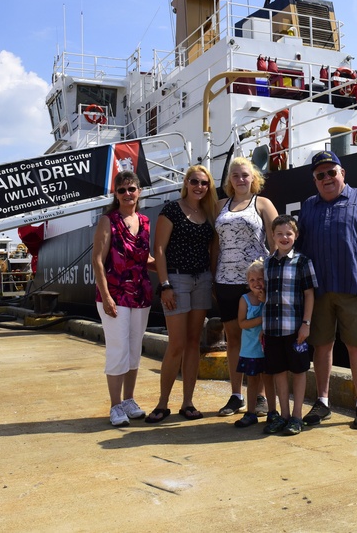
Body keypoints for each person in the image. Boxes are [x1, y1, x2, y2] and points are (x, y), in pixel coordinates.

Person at [299, 151, 357, 430]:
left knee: (356, 345)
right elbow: (298, 245)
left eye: (331, 172)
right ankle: (323, 402)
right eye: (320, 175)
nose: (326, 178)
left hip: (353, 285)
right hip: (318, 289)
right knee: (322, 345)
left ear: (342, 173)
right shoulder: (308, 206)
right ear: (315, 180)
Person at [146, 165, 217, 423]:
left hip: (202, 280)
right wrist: (164, 285)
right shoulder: (172, 210)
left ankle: (187, 402)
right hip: (176, 280)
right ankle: (162, 403)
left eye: (205, 183)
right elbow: (160, 249)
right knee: (176, 344)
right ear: (186, 182)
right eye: (195, 181)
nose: (200, 187)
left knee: (193, 344)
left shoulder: (208, 212)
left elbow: (212, 249)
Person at [213, 157, 279, 417]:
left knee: (257, 338)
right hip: (225, 281)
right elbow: (215, 245)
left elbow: (275, 243)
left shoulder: (262, 203)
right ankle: (236, 395)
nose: (241, 179)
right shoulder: (220, 205)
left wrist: (273, 279)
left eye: (245, 175)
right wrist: (212, 277)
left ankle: (259, 396)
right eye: (236, 175)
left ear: (254, 178)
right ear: (229, 180)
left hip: (255, 282)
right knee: (233, 341)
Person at [92, 170, 155, 426]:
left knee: (133, 350)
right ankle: (115, 405)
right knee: (117, 349)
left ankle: (129, 399)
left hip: (141, 294)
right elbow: (97, 259)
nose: (128, 194)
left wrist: (170, 269)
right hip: (115, 294)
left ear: (139, 191)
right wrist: (106, 296)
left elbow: (145, 260)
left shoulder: (145, 221)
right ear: (115, 195)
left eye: (132, 189)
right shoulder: (108, 220)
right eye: (122, 190)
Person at [262, 215, 317, 435]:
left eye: (289, 233)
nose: (284, 237)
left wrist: (306, 323)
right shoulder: (267, 263)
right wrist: (262, 328)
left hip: (294, 328)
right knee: (279, 372)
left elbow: (310, 294)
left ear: (296, 236)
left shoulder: (303, 262)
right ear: (273, 236)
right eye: (279, 234)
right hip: (272, 329)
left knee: (299, 370)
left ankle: (296, 416)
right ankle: (283, 415)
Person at [231, 258, 279, 429]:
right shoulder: (245, 300)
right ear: (247, 282)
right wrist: (261, 319)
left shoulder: (270, 297)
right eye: (252, 280)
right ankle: (250, 413)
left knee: (268, 380)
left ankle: (273, 412)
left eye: (259, 279)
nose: (256, 283)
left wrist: (266, 300)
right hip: (250, 349)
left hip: (265, 348)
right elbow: (242, 323)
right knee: (252, 381)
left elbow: (275, 313)